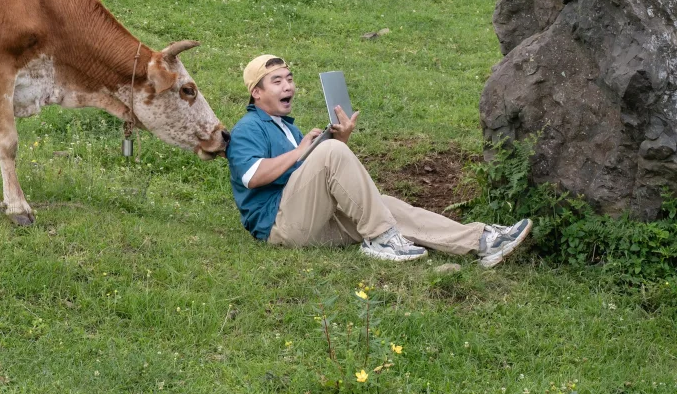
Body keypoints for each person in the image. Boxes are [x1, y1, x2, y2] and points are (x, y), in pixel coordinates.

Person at [226, 55, 531, 266]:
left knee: (385, 206)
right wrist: (306, 150)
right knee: (330, 153)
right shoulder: (247, 128)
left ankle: (482, 241)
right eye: (277, 81)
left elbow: (312, 175)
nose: (288, 86)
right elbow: (252, 176)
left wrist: (340, 139)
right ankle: (382, 239)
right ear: (256, 92)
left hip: (312, 220)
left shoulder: (287, 127)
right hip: (280, 227)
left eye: (290, 79)